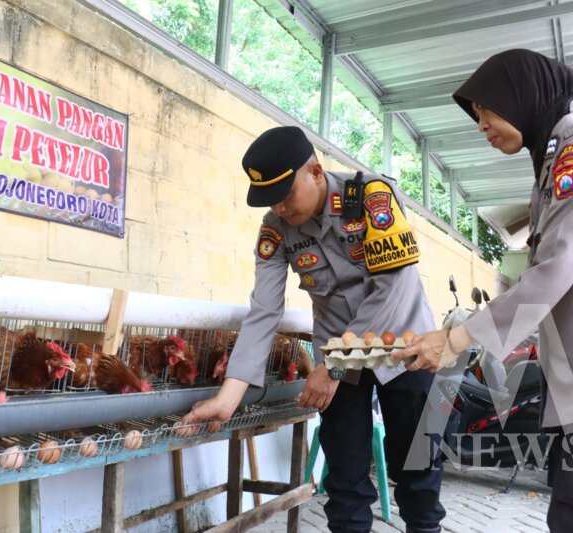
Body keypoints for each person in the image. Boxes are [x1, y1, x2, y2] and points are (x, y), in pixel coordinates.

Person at [393, 49, 573, 531]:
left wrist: (457, 338)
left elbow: (555, 269)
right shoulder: (551, 167)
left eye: (487, 109)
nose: (481, 125)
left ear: (522, 98)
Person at [181, 126, 446, 533]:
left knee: (417, 469)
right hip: (340, 366)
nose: (281, 210)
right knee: (344, 479)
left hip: (403, 346)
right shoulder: (275, 229)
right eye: (272, 201)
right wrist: (228, 397)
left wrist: (335, 365)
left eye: (286, 195)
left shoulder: (372, 198)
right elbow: (264, 311)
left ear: (316, 172)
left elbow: (392, 288)